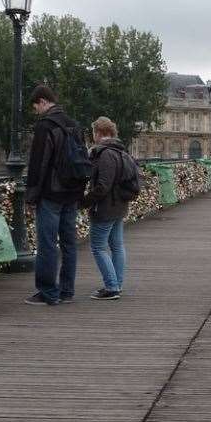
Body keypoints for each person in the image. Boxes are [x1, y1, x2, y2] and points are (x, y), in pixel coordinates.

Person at [24, 84, 86, 306]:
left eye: (35, 107)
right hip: (72, 192)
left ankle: (48, 292)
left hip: (51, 193)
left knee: (48, 243)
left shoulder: (45, 126)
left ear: (42, 102)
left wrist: (31, 196)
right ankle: (67, 291)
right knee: (69, 243)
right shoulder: (74, 125)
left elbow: (38, 164)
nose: (36, 112)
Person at [83, 117, 131, 301]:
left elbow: (103, 185)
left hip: (106, 208)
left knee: (97, 247)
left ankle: (111, 287)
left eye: (93, 132)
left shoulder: (105, 154)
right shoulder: (120, 151)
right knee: (117, 246)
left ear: (99, 133)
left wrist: (85, 201)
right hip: (119, 205)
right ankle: (116, 284)